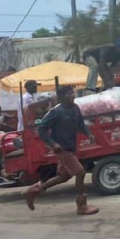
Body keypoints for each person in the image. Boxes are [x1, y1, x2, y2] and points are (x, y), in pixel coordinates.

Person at [23, 85, 99, 216]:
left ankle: (35, 190)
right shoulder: (55, 112)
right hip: (62, 149)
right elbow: (41, 129)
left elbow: (81, 123)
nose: (73, 96)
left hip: (71, 147)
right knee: (80, 172)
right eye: (69, 93)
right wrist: (53, 144)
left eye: (73, 93)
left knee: (64, 176)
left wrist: (88, 133)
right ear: (61, 97)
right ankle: (81, 205)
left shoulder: (75, 108)